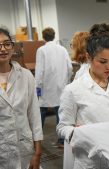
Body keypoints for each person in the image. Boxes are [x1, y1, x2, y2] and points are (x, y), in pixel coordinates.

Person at [57, 33, 109, 168]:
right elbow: (62, 127)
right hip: (89, 161)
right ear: (89, 58)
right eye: (103, 61)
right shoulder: (74, 90)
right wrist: (77, 133)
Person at [0, 28, 43, 169]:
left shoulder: (25, 75)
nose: (3, 49)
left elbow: (34, 114)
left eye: (7, 44)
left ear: (13, 46)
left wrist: (37, 152)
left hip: (24, 148)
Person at [35, 27, 72, 146]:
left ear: (43, 37)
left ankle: (37, 140)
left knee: (41, 111)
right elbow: (70, 67)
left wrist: (38, 87)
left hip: (46, 87)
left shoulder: (41, 50)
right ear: (54, 36)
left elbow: (39, 71)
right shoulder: (62, 49)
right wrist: (67, 81)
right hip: (61, 86)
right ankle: (61, 140)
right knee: (60, 112)